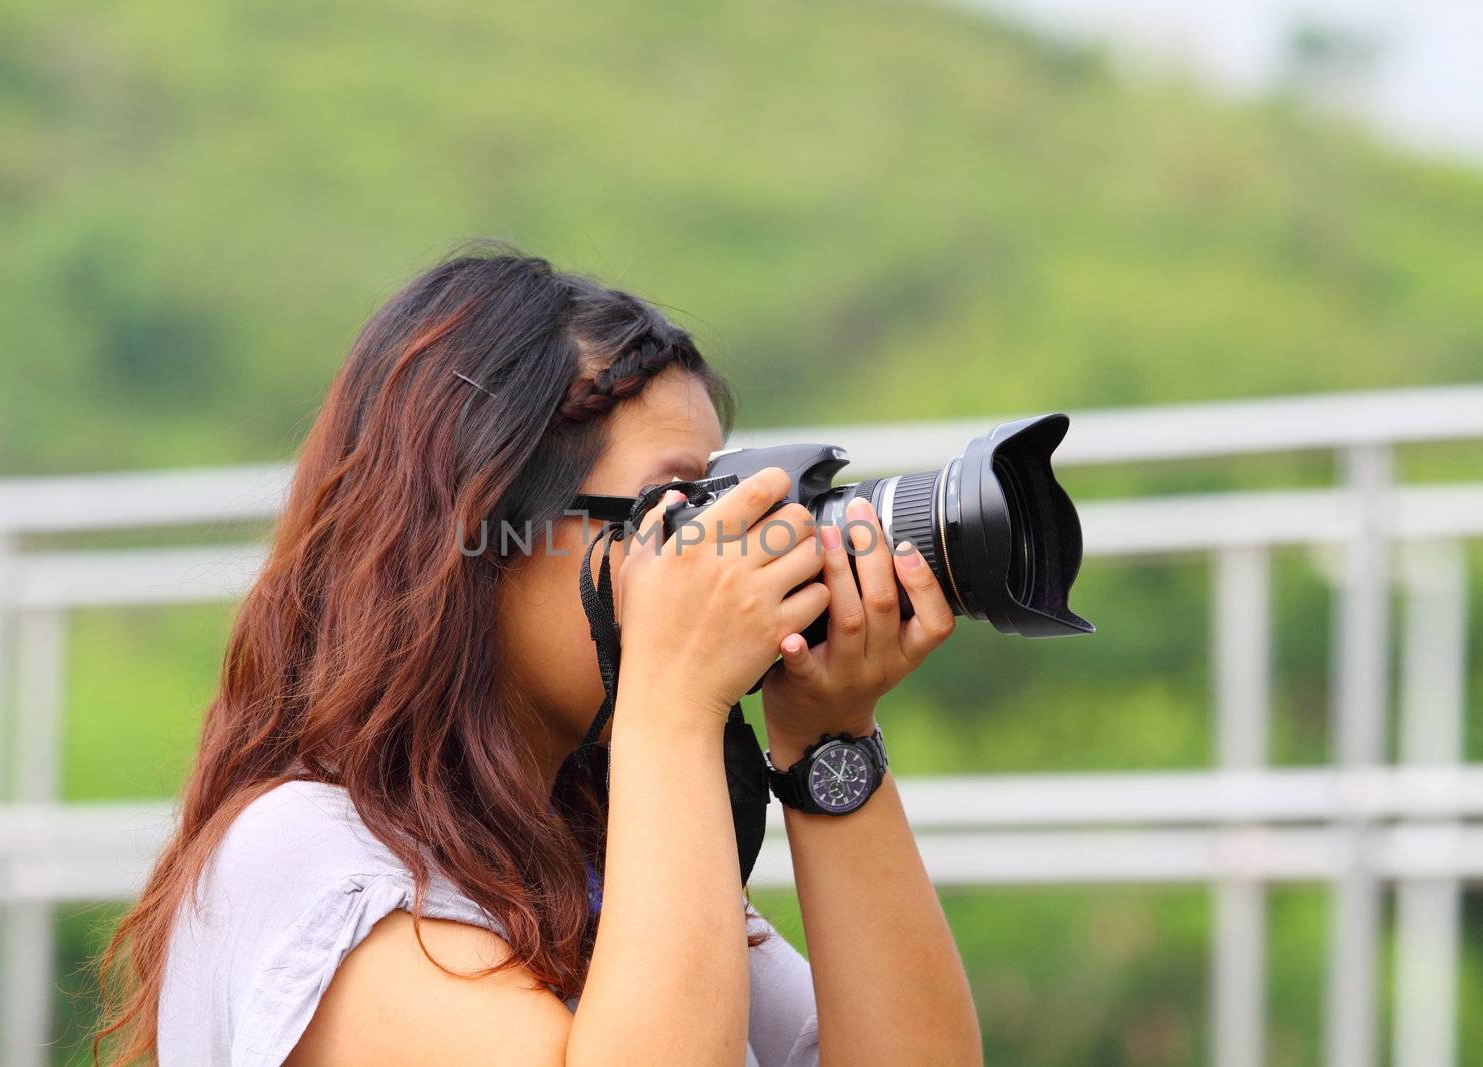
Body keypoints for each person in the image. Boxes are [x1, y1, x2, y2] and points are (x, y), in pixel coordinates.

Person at [92, 244, 982, 1066]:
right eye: (679, 507)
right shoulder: (309, 860)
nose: (721, 551)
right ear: (483, 529)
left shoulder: (598, 850)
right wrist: (671, 707)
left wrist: (827, 738)